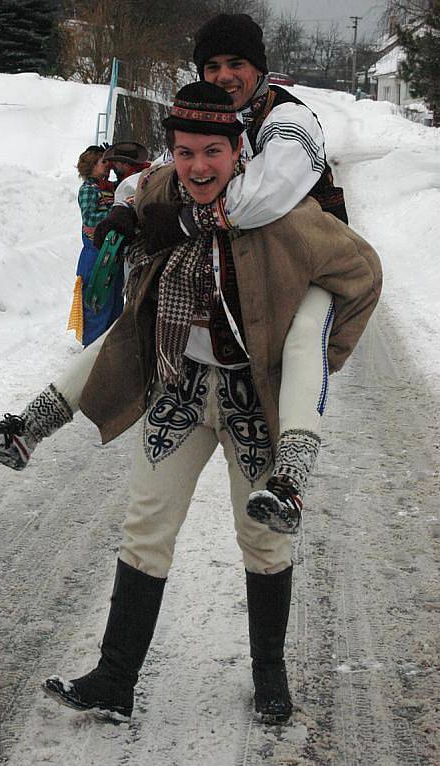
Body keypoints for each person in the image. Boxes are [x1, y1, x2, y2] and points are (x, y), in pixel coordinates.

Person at [38, 82, 381, 725]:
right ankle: (115, 677)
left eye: (214, 152)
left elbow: (362, 273)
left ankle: (270, 676)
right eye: (186, 151)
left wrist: (320, 353)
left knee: (262, 537)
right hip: (182, 391)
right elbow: (133, 201)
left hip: (249, 400)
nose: (200, 166)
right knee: (145, 526)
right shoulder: (169, 201)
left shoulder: (285, 216)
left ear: (239, 151)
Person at [0, 14, 353, 527]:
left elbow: (258, 199)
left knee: (303, 339)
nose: (225, 75)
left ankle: (292, 479)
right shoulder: (215, 115)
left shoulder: (290, 122)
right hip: (242, 260)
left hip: (309, 259)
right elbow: (172, 171)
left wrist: (179, 218)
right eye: (213, 65)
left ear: (259, 68)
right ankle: (25, 428)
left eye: (237, 63)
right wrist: (130, 202)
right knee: (142, 314)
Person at [67, 144, 119, 347]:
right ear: (91, 166)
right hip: (96, 256)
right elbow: (89, 218)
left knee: (114, 305)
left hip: (110, 253)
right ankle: (92, 351)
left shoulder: (107, 187)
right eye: (103, 162)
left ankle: (108, 348)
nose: (107, 166)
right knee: (98, 304)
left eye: (108, 162)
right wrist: (116, 214)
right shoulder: (89, 190)